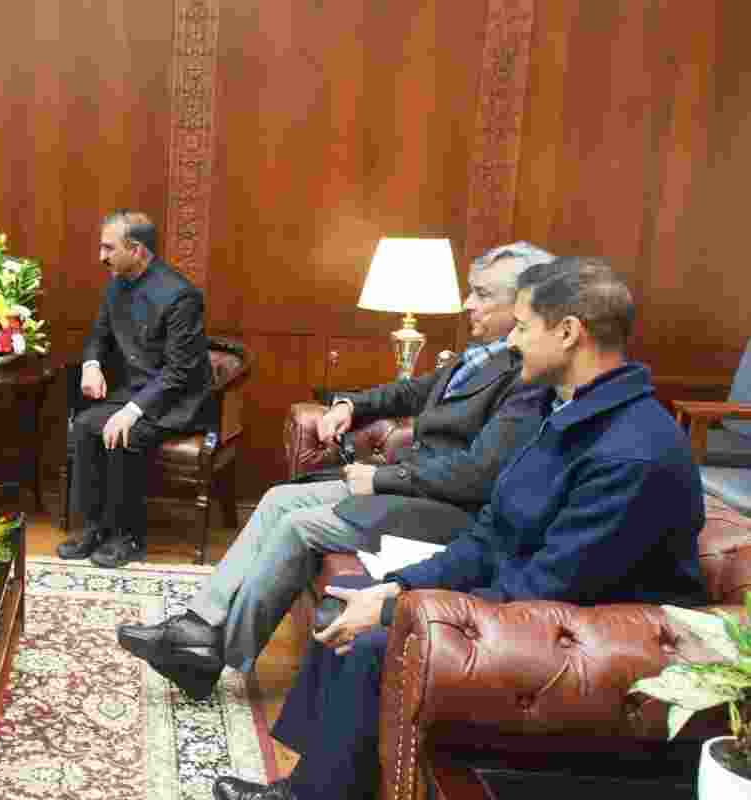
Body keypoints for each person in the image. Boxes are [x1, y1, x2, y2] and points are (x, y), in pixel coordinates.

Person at [212, 257, 707, 800]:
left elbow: (551, 590)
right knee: (351, 596)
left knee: (378, 640)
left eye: (522, 327)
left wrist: (391, 612)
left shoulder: (632, 453)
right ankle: (310, 787)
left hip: (593, 641)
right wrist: (396, 588)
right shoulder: (567, 413)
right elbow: (490, 535)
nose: (513, 343)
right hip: (536, 599)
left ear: (568, 333)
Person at [117, 242, 555, 698]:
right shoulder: (480, 355)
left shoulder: (526, 378)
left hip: (443, 512)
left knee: (299, 525)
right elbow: (409, 392)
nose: (468, 304)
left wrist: (379, 478)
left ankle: (212, 652)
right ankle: (199, 625)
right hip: (413, 491)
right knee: (279, 498)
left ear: (526, 303)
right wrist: (351, 405)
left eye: (483, 294)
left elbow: (478, 476)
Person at [58, 210, 214, 568]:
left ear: (138, 250)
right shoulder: (117, 283)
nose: (101, 257)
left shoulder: (180, 296)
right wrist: (92, 365)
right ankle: (93, 526)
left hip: (178, 400)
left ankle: (126, 536)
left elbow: (179, 372)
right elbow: (99, 335)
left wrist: (131, 411)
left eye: (108, 248)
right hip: (136, 392)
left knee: (124, 434)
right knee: (84, 426)